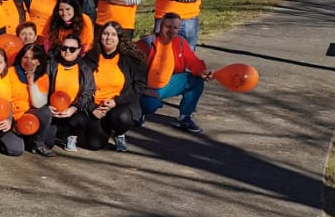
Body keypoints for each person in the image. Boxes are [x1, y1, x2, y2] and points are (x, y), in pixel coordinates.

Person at [139, 13, 213, 133]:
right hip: (144, 87)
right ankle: (138, 111)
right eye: (168, 27)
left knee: (196, 80)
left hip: (167, 84)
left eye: (175, 28)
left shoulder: (180, 43)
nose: (171, 31)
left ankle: (185, 117)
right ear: (160, 25)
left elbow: (192, 61)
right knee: (150, 105)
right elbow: (131, 72)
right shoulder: (146, 44)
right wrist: (143, 88)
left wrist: (202, 71)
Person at [81, 22, 144, 152]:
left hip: (118, 105)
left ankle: (119, 133)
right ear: (100, 36)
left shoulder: (129, 59)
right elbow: (81, 85)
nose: (109, 38)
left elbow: (139, 86)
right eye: (105, 34)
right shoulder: (90, 57)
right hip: (96, 106)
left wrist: (116, 102)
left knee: (123, 118)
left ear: (119, 38)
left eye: (113, 35)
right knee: (94, 145)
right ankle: (102, 129)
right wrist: (92, 108)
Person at [47, 34, 89, 152]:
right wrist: (47, 106)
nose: (67, 51)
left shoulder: (84, 69)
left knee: (81, 119)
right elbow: (43, 87)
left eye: (72, 49)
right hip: (53, 109)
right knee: (47, 143)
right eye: (64, 48)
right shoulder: (52, 65)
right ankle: (55, 132)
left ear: (79, 50)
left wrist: (74, 107)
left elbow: (88, 92)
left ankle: (72, 136)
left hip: (72, 110)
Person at [13, 43, 57, 153]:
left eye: (33, 59)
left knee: (49, 141)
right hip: (13, 116)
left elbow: (38, 104)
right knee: (16, 149)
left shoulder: (43, 77)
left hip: (30, 115)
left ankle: (38, 144)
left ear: (39, 61)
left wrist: (31, 83)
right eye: (25, 57)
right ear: (20, 58)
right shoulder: (10, 72)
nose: (28, 62)